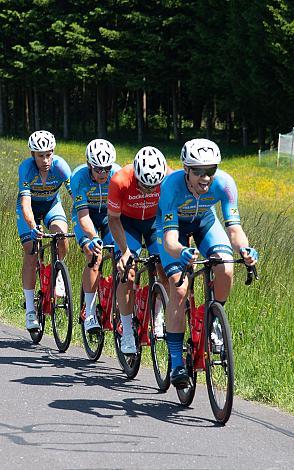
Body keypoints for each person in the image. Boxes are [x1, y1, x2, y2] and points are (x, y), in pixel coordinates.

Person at [157, 138, 258, 388]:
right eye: (199, 171)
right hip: (173, 230)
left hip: (204, 223)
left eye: (210, 170)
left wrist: (245, 249)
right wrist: (181, 251)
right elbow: (170, 239)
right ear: (186, 170)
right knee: (179, 290)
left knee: (225, 266)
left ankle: (213, 319)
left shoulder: (224, 183)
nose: (205, 177)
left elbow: (234, 229)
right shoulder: (170, 187)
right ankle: (177, 362)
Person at [107, 146, 169, 353]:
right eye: (144, 186)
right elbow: (113, 220)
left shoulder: (169, 178)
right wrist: (124, 251)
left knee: (165, 269)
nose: (149, 191)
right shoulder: (119, 180)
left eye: (154, 187)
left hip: (155, 224)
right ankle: (126, 332)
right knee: (127, 272)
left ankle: (158, 316)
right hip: (127, 224)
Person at [17, 130, 71, 331]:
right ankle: (30, 309)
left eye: (49, 154)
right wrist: (33, 227)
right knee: (31, 251)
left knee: (61, 235)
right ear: (33, 155)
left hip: (51, 206)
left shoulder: (61, 166)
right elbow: (25, 204)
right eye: (41, 155)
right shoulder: (26, 169)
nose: (45, 160)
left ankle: (58, 272)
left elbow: (76, 197)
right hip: (29, 209)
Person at [70, 139, 121, 335]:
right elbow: (83, 216)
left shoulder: (116, 175)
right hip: (85, 216)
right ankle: (89, 311)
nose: (102, 174)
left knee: (122, 258)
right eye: (98, 169)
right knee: (95, 256)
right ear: (89, 164)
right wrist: (93, 237)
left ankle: (115, 303)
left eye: (105, 169)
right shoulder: (79, 177)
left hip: (109, 217)